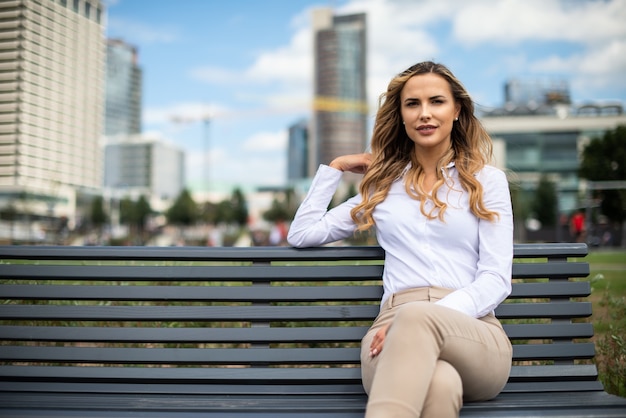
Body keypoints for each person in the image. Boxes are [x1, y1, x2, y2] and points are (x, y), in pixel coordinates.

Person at [287, 61, 513, 418]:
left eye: (436, 102)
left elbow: (496, 279)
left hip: (472, 331)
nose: (425, 113)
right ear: (401, 115)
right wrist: (338, 167)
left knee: (415, 319)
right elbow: (302, 234)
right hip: (389, 330)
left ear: (456, 110)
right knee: (440, 385)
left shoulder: (488, 182)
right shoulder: (383, 187)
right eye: (413, 104)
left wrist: (421, 317)